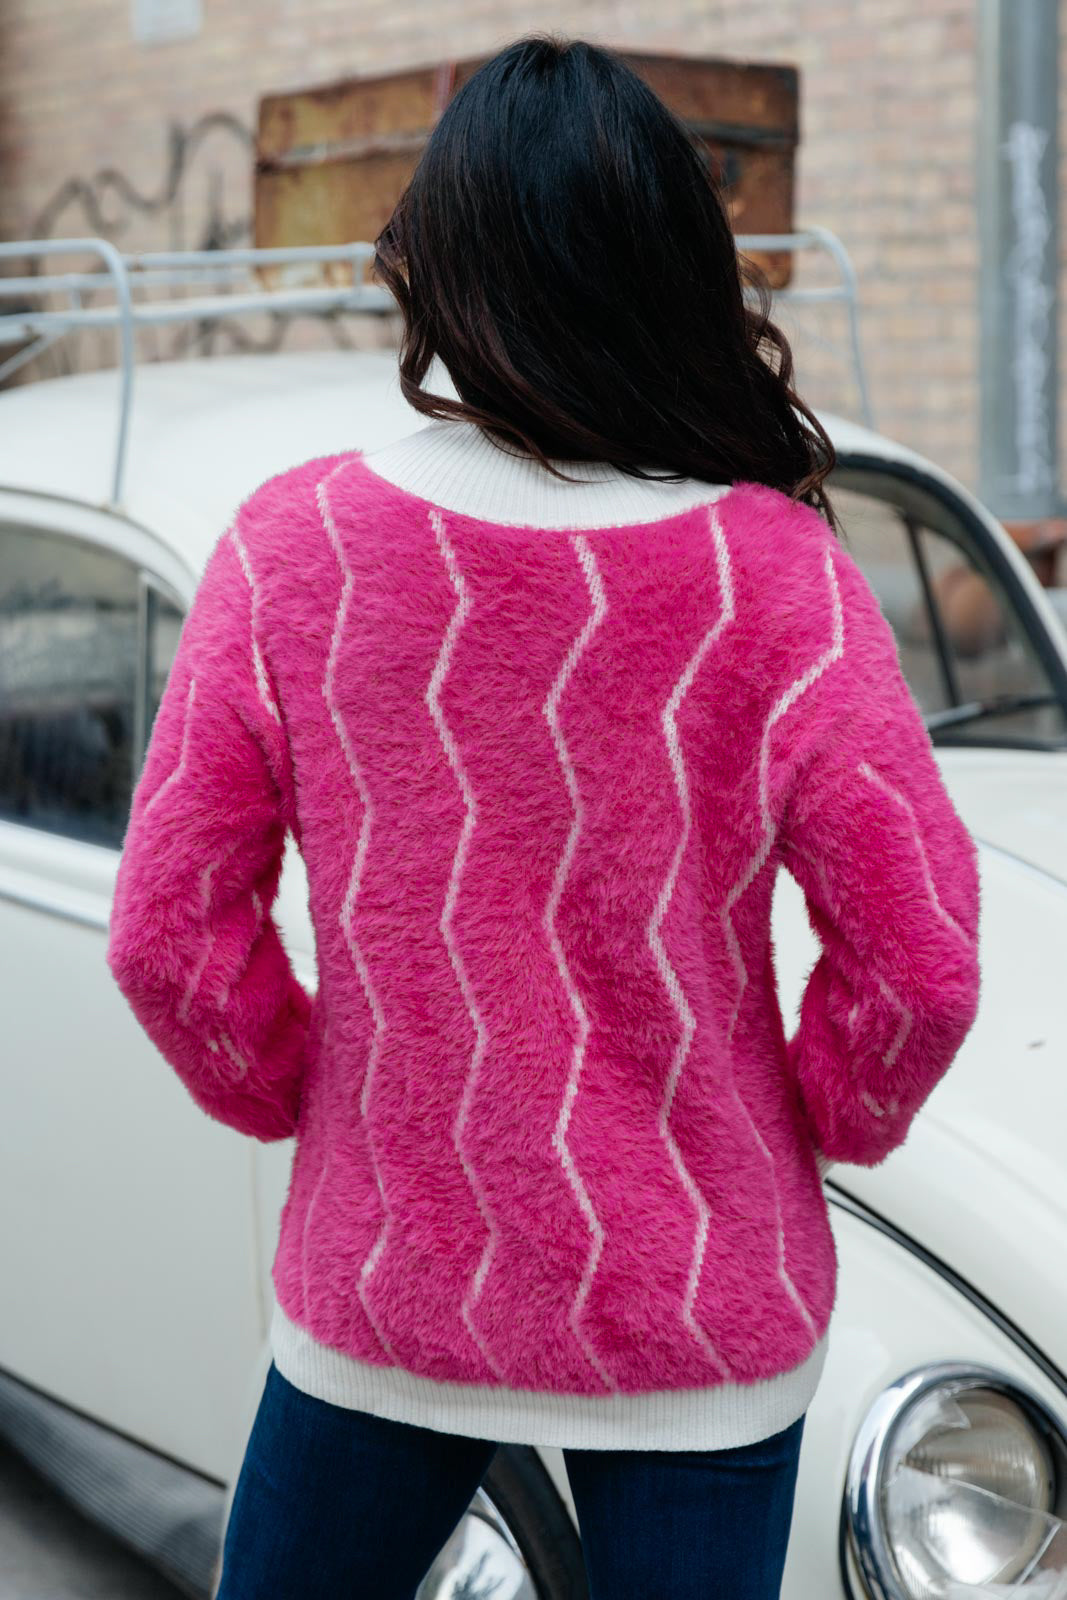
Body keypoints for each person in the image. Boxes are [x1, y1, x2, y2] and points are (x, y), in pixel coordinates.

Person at [105, 32, 983, 1600]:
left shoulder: (293, 553)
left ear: (433, 271)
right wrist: (807, 1124)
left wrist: (318, 1094)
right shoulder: (776, 581)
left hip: (386, 1290)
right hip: (704, 1307)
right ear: (674, 271)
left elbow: (172, 935)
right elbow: (917, 964)